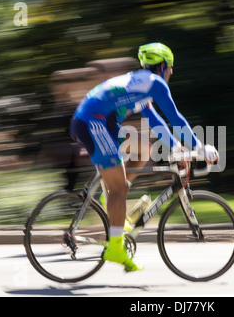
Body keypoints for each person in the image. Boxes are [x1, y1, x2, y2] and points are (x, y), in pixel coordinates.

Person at [69, 42, 219, 272]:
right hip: (93, 123)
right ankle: (115, 246)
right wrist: (200, 147)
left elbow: (157, 122)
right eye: (170, 66)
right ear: (161, 66)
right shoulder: (156, 83)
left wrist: (177, 148)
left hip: (101, 122)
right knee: (118, 188)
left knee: (144, 148)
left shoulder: (143, 84)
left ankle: (113, 200)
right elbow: (176, 118)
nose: (172, 72)